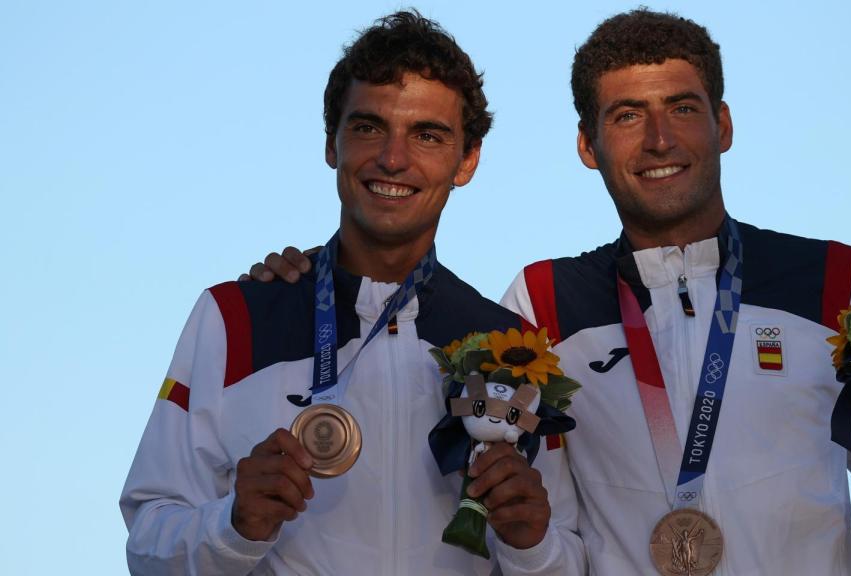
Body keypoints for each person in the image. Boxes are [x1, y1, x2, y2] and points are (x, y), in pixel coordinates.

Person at [251, 9, 851, 575]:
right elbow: (538, 532)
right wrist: (320, 280)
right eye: (625, 116)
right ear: (587, 144)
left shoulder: (837, 279)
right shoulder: (540, 302)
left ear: (723, 125)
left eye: (681, 109)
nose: (657, 139)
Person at [120, 11, 585, 575]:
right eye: (368, 127)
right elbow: (148, 541)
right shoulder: (235, 317)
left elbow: (567, 553)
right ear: (330, 144)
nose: (393, 158)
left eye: (427, 135)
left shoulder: (509, 347)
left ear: (467, 160)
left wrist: (531, 545)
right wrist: (233, 527)